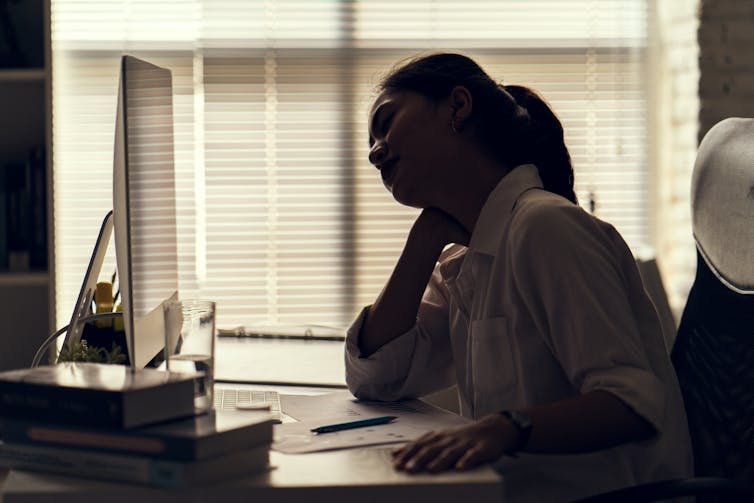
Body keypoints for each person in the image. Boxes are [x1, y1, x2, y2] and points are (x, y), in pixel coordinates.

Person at [344, 52, 693, 502]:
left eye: (385, 122)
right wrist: (424, 239)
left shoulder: (545, 227)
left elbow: (634, 404)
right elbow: (375, 378)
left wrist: (505, 428)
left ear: (458, 106)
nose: (375, 153)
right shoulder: (466, 258)